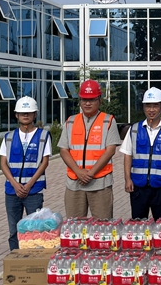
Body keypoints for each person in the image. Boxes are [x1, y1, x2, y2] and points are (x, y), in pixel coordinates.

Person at [58, 79, 121, 219]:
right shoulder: (71, 121)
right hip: (75, 182)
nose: (87, 103)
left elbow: (110, 150)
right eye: (84, 99)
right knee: (74, 226)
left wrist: (90, 174)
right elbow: (63, 150)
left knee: (103, 226)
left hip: (100, 183)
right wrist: (78, 172)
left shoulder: (108, 120)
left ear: (100, 100)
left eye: (92, 99)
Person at [0, 96, 51, 251]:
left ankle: (33, 260)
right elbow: (3, 163)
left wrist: (28, 185)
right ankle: (15, 260)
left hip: (34, 191)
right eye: (22, 113)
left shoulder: (43, 136)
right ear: (16, 115)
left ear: (35, 114)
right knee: (14, 231)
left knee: (34, 230)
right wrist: (15, 185)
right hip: (12, 191)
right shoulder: (9, 137)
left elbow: (44, 162)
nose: (26, 115)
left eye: (29, 112)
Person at [120, 87, 161, 220]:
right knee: (138, 224)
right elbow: (128, 155)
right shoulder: (134, 129)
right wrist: (127, 179)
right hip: (138, 186)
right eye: (148, 106)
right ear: (143, 107)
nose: (151, 110)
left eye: (155, 106)